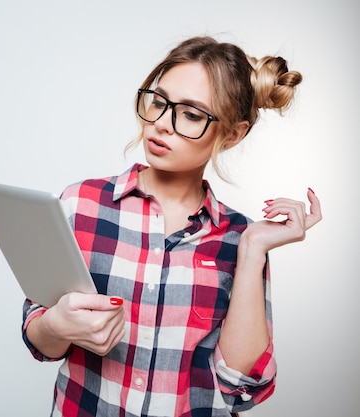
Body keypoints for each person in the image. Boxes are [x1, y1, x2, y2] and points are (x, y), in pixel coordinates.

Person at [21, 36, 323, 417]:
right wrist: (56, 327)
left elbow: (240, 390)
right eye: (159, 102)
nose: (162, 124)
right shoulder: (81, 204)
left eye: (192, 115)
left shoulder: (240, 238)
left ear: (232, 135)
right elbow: (38, 338)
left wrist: (252, 251)